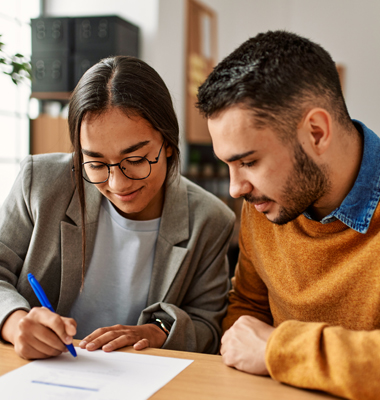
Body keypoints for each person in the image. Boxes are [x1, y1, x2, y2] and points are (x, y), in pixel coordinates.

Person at [0, 56, 235, 360]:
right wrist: (15, 322)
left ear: (167, 142)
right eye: (96, 163)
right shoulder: (41, 183)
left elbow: (208, 326)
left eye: (136, 160)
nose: (117, 183)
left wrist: (158, 330)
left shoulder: (210, 220)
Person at [197, 30, 380, 400]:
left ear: (316, 132)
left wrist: (277, 350)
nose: (236, 189)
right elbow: (248, 310)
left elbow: (265, 343)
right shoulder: (266, 203)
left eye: (248, 161)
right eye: (228, 165)